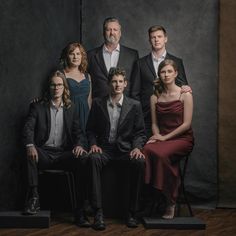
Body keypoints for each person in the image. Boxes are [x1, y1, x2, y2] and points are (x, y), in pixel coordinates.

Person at [22, 71, 91, 227]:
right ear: (49, 87)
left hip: (63, 155)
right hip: (44, 153)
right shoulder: (37, 106)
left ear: (64, 88)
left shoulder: (71, 108)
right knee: (30, 152)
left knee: (83, 158)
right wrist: (30, 145)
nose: (56, 87)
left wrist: (80, 145)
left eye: (59, 84)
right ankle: (34, 198)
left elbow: (78, 132)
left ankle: (80, 211)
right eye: (53, 84)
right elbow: (28, 129)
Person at [86, 67, 146, 230]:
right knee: (92, 158)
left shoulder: (134, 105)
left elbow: (140, 132)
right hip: (104, 149)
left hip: (126, 150)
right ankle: (98, 212)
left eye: (120, 81)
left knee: (139, 162)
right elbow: (90, 129)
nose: (117, 85)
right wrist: (93, 145)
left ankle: (132, 212)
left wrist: (137, 148)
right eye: (114, 81)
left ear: (125, 84)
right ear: (108, 83)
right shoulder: (98, 103)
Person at [142, 59, 194, 219]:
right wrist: (157, 136)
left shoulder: (185, 94)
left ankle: (170, 202)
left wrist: (164, 139)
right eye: (163, 72)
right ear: (159, 74)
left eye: (169, 71)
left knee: (161, 154)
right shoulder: (155, 97)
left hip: (182, 139)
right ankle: (157, 197)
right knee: (147, 149)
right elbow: (154, 124)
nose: (166, 75)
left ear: (176, 73)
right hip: (163, 137)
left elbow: (186, 125)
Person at [130, 25, 189, 137]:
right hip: (146, 116)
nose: (156, 39)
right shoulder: (140, 63)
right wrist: (139, 114)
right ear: (149, 40)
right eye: (153, 37)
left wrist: (186, 88)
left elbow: (183, 85)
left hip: (170, 115)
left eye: (159, 36)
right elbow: (134, 93)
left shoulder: (177, 61)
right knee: (147, 149)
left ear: (165, 39)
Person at [87, 17, 139, 99]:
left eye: (115, 30)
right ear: (104, 32)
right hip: (99, 105)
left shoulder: (132, 55)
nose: (112, 33)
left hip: (125, 105)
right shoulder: (90, 55)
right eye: (108, 30)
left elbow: (136, 84)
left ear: (120, 33)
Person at [60, 42, 92, 137]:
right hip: (69, 113)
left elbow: (89, 100)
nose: (75, 57)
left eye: (78, 54)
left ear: (82, 56)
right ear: (67, 56)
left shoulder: (87, 76)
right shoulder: (61, 74)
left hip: (85, 114)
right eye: (72, 54)